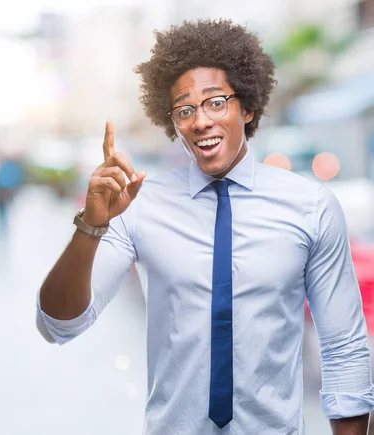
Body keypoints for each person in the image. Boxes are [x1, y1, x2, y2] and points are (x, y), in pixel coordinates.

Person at [36, 19, 374, 435]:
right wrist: (90, 226)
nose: (200, 121)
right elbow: (59, 325)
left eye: (216, 102)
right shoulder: (140, 206)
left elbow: (344, 347)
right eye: (184, 110)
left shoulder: (311, 206)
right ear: (173, 124)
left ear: (247, 107)